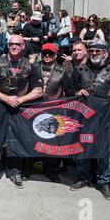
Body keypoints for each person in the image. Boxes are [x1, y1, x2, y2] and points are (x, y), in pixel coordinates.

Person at [0, 34, 43, 189]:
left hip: (20, 109)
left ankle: (14, 171)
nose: (14, 47)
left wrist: (20, 100)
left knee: (17, 139)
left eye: (17, 44)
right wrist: (5, 98)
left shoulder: (31, 66)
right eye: (11, 44)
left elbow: (38, 90)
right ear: (8, 46)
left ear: (23, 46)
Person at [70, 39, 110, 200]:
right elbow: (70, 87)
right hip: (84, 115)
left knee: (105, 149)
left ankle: (104, 181)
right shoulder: (81, 68)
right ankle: (83, 177)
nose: (94, 54)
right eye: (91, 51)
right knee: (83, 145)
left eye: (97, 51)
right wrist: (78, 91)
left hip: (105, 115)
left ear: (105, 52)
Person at [34, 43, 76, 183]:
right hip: (33, 107)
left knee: (51, 140)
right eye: (44, 53)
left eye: (50, 54)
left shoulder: (61, 71)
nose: (47, 56)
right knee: (32, 136)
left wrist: (78, 95)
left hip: (53, 109)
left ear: (55, 55)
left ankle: (49, 169)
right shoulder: (34, 67)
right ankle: (29, 164)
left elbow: (69, 90)